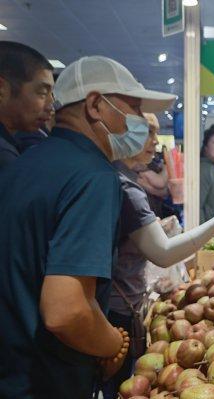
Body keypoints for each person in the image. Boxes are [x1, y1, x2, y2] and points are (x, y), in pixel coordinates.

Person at [0, 55, 176, 399]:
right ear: (96, 104)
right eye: (135, 108)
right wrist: (112, 343)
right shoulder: (92, 177)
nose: (139, 121)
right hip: (47, 382)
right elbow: (66, 311)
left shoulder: (25, 164)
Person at [103, 115, 214, 398]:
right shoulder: (126, 188)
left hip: (114, 301)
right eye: (147, 132)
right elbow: (163, 253)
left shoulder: (114, 177)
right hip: (117, 308)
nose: (154, 140)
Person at [0, 41, 54, 169]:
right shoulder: (4, 156)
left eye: (52, 94)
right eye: (42, 92)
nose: (51, 105)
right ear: (1, 89)